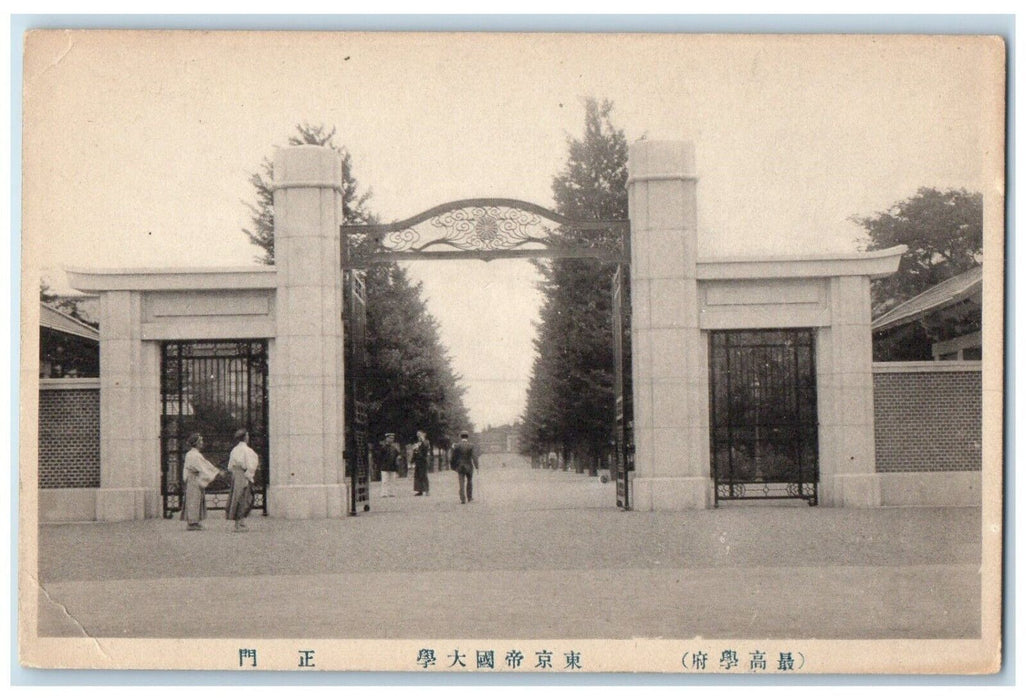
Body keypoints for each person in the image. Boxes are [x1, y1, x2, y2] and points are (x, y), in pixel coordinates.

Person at [181, 433, 216, 531]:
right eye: (201, 441)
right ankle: (192, 523)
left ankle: (194, 521)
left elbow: (205, 465)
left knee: (195, 498)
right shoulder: (194, 455)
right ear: (196, 443)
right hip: (194, 478)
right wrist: (214, 473)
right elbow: (203, 467)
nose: (202, 443)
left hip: (193, 478)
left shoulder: (192, 454)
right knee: (194, 499)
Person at [226, 428, 259, 532]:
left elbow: (230, 466)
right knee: (244, 497)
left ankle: (238, 522)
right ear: (245, 437)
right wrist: (249, 476)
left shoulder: (234, 450)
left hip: (236, 475)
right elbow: (251, 465)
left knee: (236, 497)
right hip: (243, 474)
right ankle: (240, 522)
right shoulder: (247, 450)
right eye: (247, 436)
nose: (248, 438)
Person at [451, 431, 479, 504]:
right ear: (467, 437)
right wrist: (477, 466)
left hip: (460, 466)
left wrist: (453, 466)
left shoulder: (457, 445)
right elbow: (474, 457)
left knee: (461, 482)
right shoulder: (471, 445)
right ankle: (469, 497)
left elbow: (453, 457)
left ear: (461, 436)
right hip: (469, 466)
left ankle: (463, 499)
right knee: (469, 481)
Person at [379, 433, 400, 498]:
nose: (392, 439)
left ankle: (391, 493)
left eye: (392, 438)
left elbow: (398, 455)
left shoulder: (394, 448)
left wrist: (398, 458)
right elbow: (380, 457)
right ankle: (384, 493)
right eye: (390, 438)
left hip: (392, 466)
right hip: (385, 466)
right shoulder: (383, 447)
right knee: (385, 481)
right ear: (387, 438)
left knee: (392, 481)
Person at [411, 430, 431, 496]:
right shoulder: (417, 443)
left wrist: (422, 441)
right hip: (418, 461)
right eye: (418, 436)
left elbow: (426, 448)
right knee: (417, 476)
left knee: (424, 476)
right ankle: (420, 490)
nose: (419, 437)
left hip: (423, 461)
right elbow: (415, 452)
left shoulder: (426, 442)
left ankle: (427, 490)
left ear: (423, 434)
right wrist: (412, 460)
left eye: (420, 435)